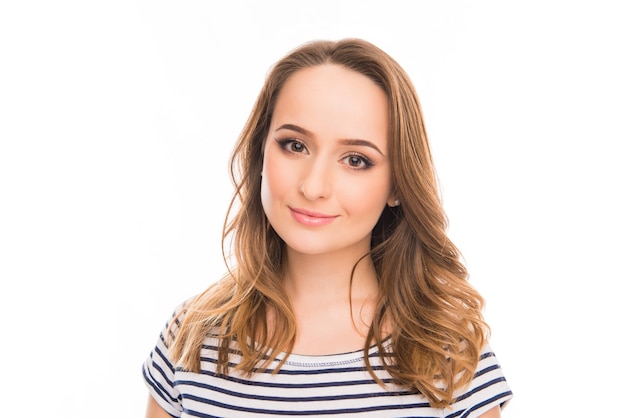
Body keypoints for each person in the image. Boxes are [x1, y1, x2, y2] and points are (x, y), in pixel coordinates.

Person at [142, 38, 513, 417]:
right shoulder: (192, 337)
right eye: (295, 145)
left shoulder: (447, 349)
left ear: (398, 185)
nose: (313, 186)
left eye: (355, 159)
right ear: (260, 154)